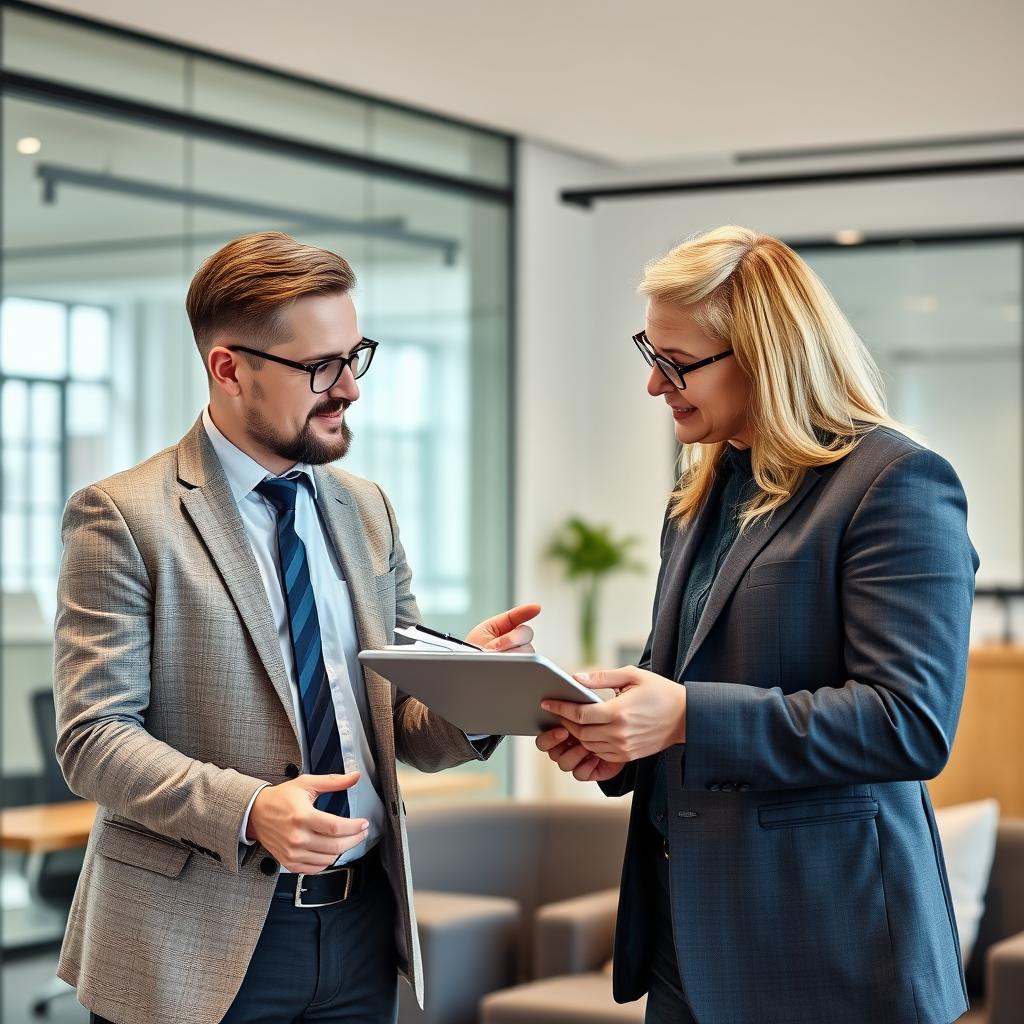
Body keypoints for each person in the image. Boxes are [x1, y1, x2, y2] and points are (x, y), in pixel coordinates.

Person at [53, 231, 538, 1024]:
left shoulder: (367, 508)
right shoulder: (124, 517)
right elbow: (94, 738)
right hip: (192, 939)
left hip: (360, 926)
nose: (349, 388)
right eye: (320, 367)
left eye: (356, 356)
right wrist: (251, 809)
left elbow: (401, 720)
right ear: (229, 368)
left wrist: (475, 683)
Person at [537, 226, 978, 1024]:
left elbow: (909, 725)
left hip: (829, 947)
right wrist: (610, 739)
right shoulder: (700, 493)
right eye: (651, 353)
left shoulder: (897, 483)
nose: (654, 385)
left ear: (765, 357)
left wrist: (681, 719)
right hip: (687, 938)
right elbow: (677, 685)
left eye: (676, 362)